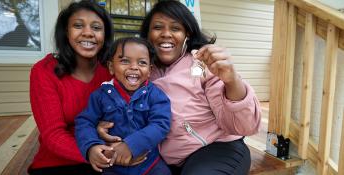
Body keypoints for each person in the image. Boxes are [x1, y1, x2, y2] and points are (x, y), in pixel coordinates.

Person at [97, 1, 261, 175]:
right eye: (158, 27)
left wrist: (232, 81)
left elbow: (245, 126)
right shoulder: (140, 72)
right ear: (147, 35)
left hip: (215, 149)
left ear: (186, 35)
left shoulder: (203, 65)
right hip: (163, 159)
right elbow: (122, 107)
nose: (166, 34)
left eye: (175, 28)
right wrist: (106, 128)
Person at [28, 1, 113, 174]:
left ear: (105, 35)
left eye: (96, 28)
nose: (88, 33)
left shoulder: (113, 71)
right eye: (78, 25)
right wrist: (91, 151)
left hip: (109, 155)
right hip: (59, 161)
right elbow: (53, 134)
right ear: (66, 32)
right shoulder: (44, 71)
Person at [75, 37, 172, 175]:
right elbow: (85, 122)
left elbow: (161, 124)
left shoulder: (155, 95)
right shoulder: (100, 95)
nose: (134, 67)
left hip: (149, 164)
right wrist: (91, 147)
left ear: (150, 70)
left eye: (142, 62)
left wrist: (131, 145)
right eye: (125, 61)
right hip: (112, 166)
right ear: (111, 67)